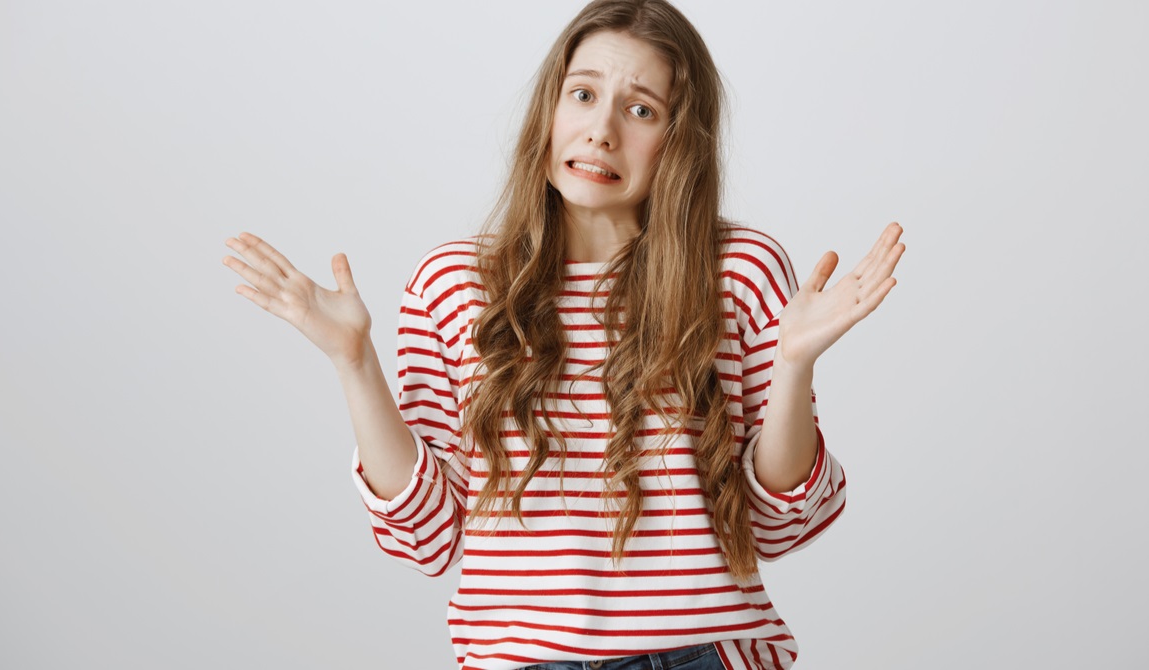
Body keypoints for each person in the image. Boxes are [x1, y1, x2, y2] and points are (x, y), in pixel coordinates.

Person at [221, 1, 905, 668]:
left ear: (679, 141)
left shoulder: (738, 271)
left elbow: (780, 525)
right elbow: (427, 536)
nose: (601, 130)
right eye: (582, 95)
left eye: (641, 110)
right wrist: (353, 361)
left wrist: (795, 366)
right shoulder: (454, 285)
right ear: (549, 109)